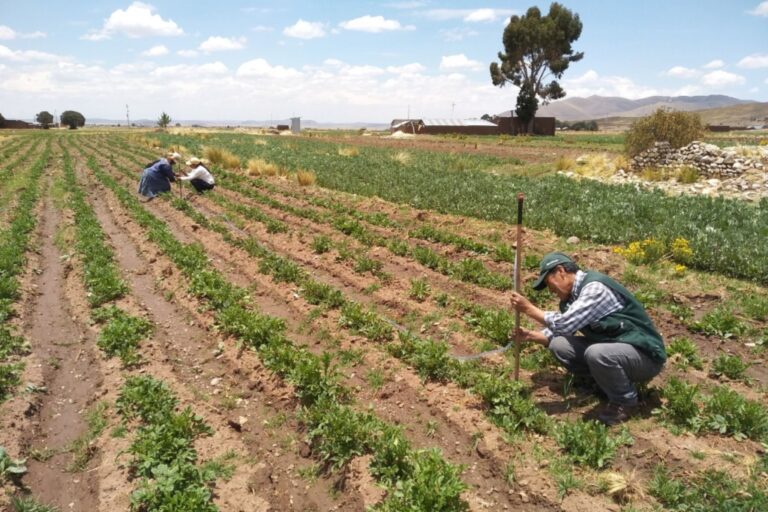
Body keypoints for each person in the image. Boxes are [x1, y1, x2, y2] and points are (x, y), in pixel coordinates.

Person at [509, 252, 666, 425]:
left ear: (561, 271)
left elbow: (564, 324)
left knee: (597, 353)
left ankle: (626, 402)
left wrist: (529, 309)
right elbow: (562, 330)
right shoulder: (571, 298)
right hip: (615, 350)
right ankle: (603, 385)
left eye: (549, 283)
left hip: (645, 356)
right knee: (559, 345)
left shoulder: (595, 288)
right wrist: (531, 335)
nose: (551, 290)